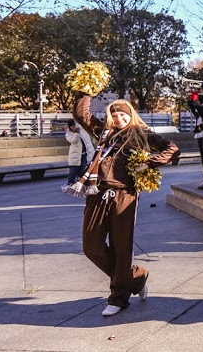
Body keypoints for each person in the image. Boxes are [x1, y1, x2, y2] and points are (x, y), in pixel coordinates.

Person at [72, 94, 179, 316]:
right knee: (91, 246)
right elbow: (81, 115)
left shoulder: (142, 133)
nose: (118, 118)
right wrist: (85, 89)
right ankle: (135, 276)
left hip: (124, 194)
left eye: (123, 114)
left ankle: (119, 297)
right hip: (97, 192)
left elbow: (172, 149)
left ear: (130, 115)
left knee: (122, 247)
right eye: (114, 114)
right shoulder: (104, 133)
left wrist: (149, 163)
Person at [65, 119, 93, 185]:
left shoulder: (81, 131)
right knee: (73, 170)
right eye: (72, 126)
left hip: (84, 154)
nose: (74, 127)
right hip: (75, 155)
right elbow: (74, 141)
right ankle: (70, 183)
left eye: (74, 125)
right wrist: (76, 133)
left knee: (83, 169)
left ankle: (80, 182)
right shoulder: (68, 134)